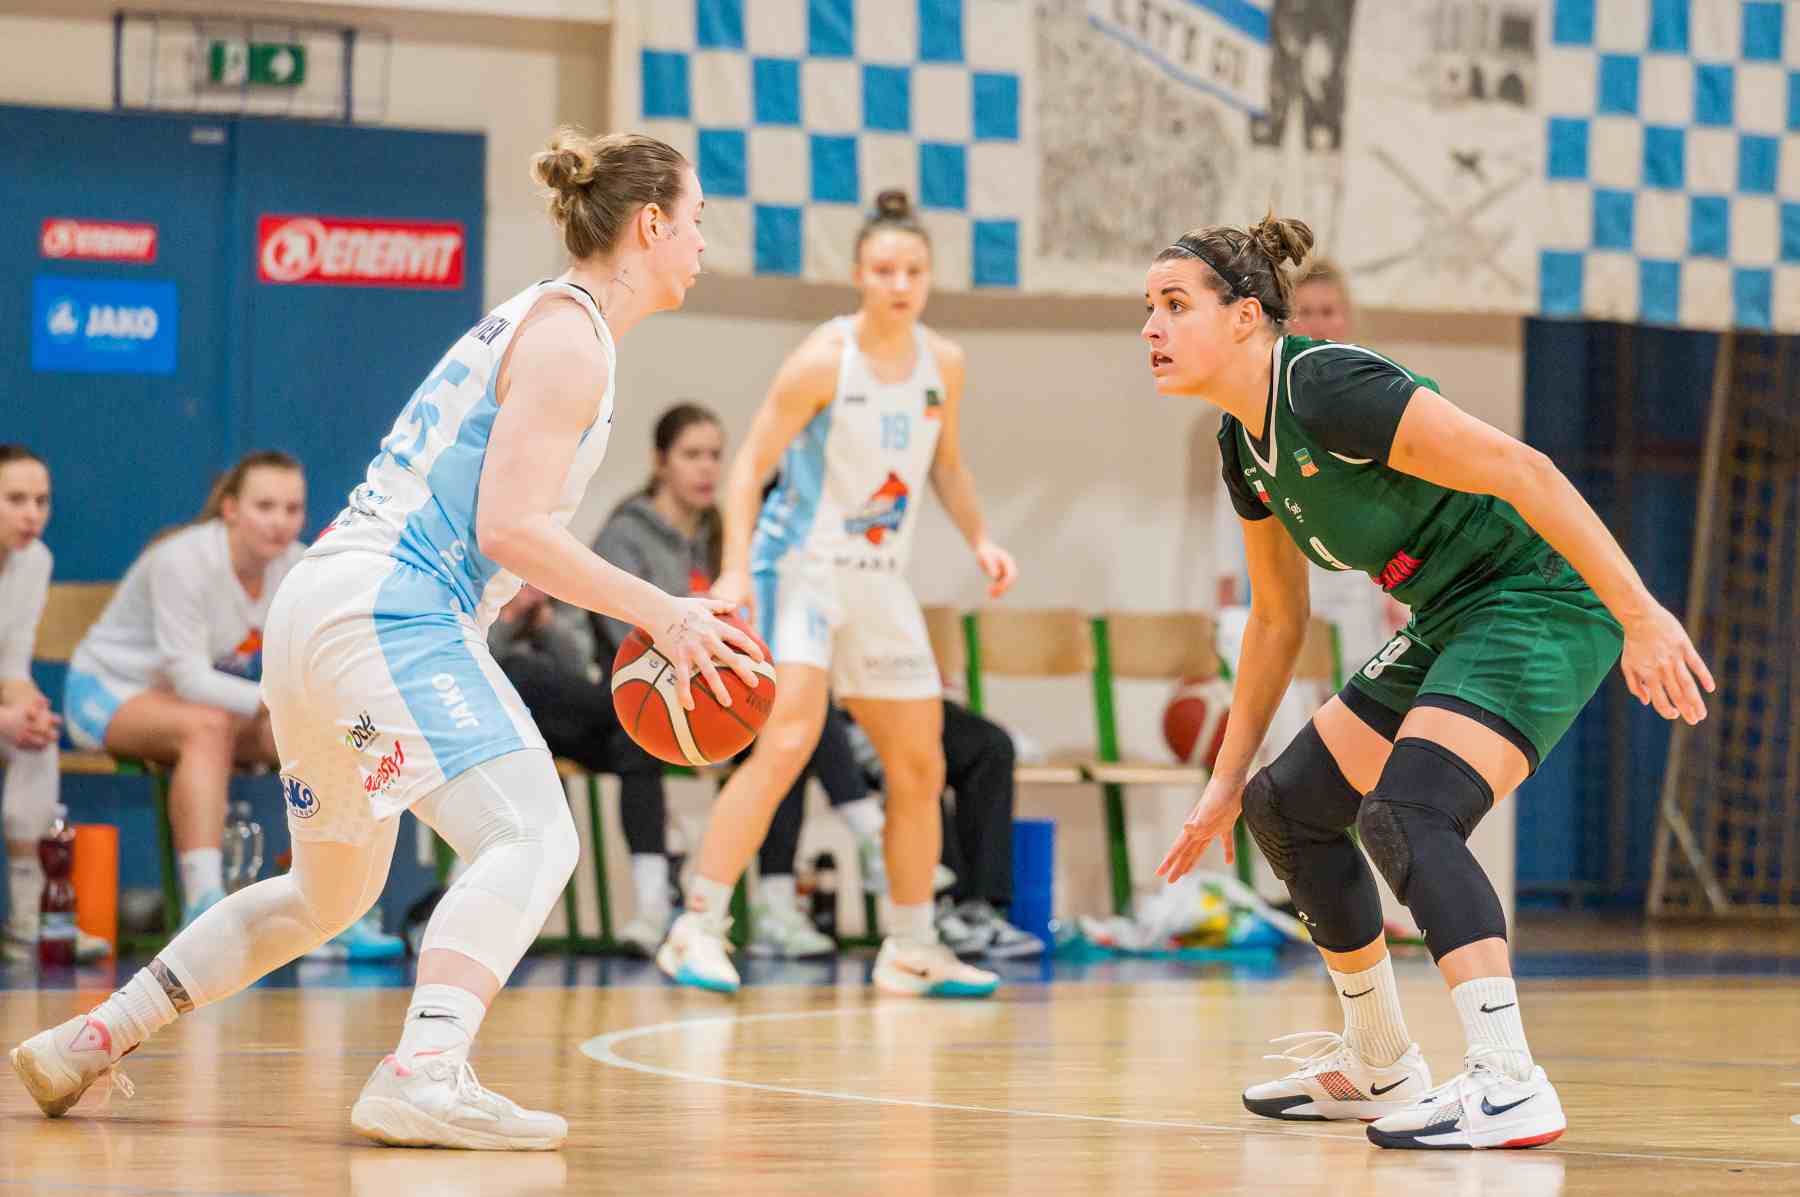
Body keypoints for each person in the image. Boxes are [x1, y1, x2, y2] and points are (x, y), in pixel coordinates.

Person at [11, 128, 762, 1152]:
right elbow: (509, 529)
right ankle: (425, 1069)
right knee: (534, 834)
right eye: (699, 219)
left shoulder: (546, 322)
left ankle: (91, 1038)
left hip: (322, 616)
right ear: (652, 224)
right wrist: (663, 610)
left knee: (326, 893)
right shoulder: (571, 341)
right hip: (389, 609)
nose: (705, 242)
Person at [1145, 215, 1712, 1150]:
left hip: (1537, 596)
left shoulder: (1327, 384)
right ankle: (1380, 1059)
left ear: (1245, 316)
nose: (1152, 327)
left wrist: (1642, 613)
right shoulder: (1243, 444)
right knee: (1286, 804)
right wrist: (1225, 779)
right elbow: (1278, 618)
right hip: (1451, 612)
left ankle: (1508, 1078)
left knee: (1408, 812)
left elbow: (1525, 470)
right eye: (1149, 308)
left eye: (1175, 304)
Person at [657, 190, 1018, 997]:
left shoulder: (944, 363)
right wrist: (736, 569)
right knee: (786, 742)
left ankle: (911, 943)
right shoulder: (825, 358)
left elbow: (947, 465)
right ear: (858, 274)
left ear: (930, 276)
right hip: (802, 567)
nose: (900, 284)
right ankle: (697, 925)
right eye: (885, 270)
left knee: (919, 763)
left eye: (914, 270)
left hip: (879, 579)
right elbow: (748, 467)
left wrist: (981, 539)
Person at [60, 453, 312, 927]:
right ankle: (205, 908)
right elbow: (190, 679)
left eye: (292, 508)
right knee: (207, 728)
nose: (280, 521)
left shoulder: (300, 566)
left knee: (303, 737)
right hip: (106, 690)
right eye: (265, 506)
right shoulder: (181, 560)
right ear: (231, 509)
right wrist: (277, 702)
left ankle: (327, 903)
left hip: (193, 704)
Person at [587, 402, 726, 953]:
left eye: (715, 455)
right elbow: (627, 636)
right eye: (692, 454)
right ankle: (652, 907)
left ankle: (776, 904)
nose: (707, 467)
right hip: (626, 686)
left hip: (704, 689)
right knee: (640, 728)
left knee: (792, 726)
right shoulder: (625, 534)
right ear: (660, 462)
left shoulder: (720, 537)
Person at [0, 446, 75, 962]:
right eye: (15, 499)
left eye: (41, 500)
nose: (32, 514)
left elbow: (12, 664)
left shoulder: (36, 560)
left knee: (37, 739)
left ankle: (29, 918)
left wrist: (27, 711)